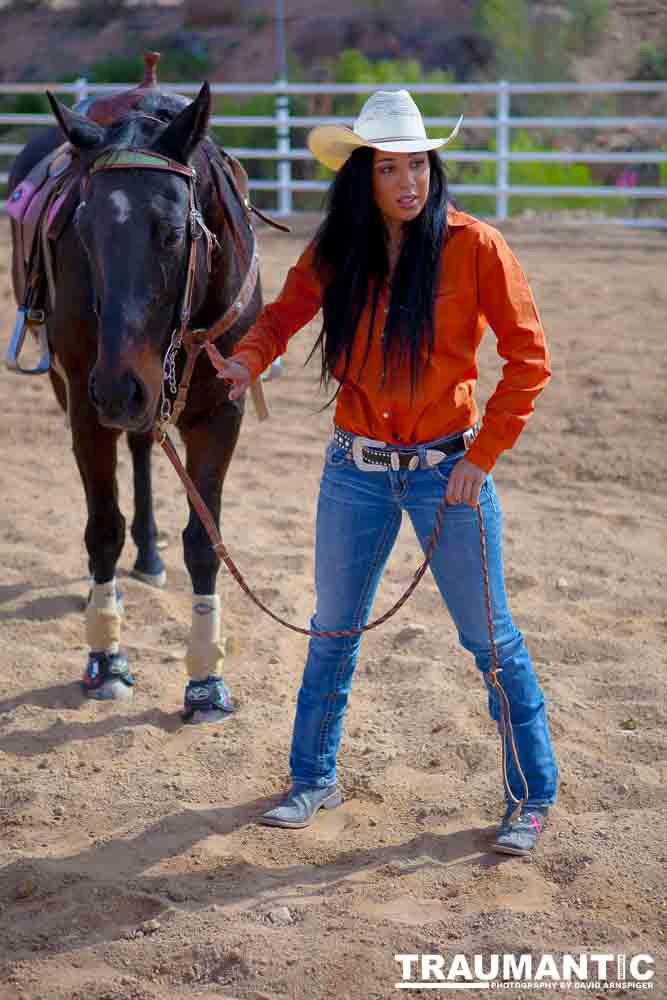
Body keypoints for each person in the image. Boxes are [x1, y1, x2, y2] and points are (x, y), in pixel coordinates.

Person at [217, 90, 559, 856]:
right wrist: (245, 361)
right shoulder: (339, 250)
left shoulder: (476, 246)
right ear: (362, 178)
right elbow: (281, 315)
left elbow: (529, 359)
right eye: (391, 168)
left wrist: (482, 455)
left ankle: (530, 797)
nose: (410, 182)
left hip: (448, 472)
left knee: (489, 640)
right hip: (355, 469)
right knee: (332, 631)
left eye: (418, 165)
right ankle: (312, 779)